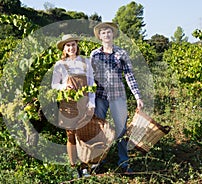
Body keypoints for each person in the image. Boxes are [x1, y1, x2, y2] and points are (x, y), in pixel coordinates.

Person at [90, 22, 144, 173]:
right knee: (100, 129)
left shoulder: (121, 53)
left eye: (109, 32)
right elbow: (90, 77)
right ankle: (98, 161)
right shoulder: (94, 54)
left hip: (118, 96)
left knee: (121, 129)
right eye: (103, 33)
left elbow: (129, 76)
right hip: (100, 96)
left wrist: (137, 96)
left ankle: (124, 163)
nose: (106, 35)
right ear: (99, 36)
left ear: (113, 34)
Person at [51, 34, 95, 177]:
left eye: (73, 44)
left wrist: (91, 103)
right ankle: (72, 165)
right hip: (67, 104)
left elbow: (91, 83)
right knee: (70, 135)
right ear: (64, 48)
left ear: (77, 46)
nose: (71, 48)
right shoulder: (60, 65)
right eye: (68, 45)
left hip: (84, 103)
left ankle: (84, 166)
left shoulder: (86, 62)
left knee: (83, 135)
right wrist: (64, 87)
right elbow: (54, 85)